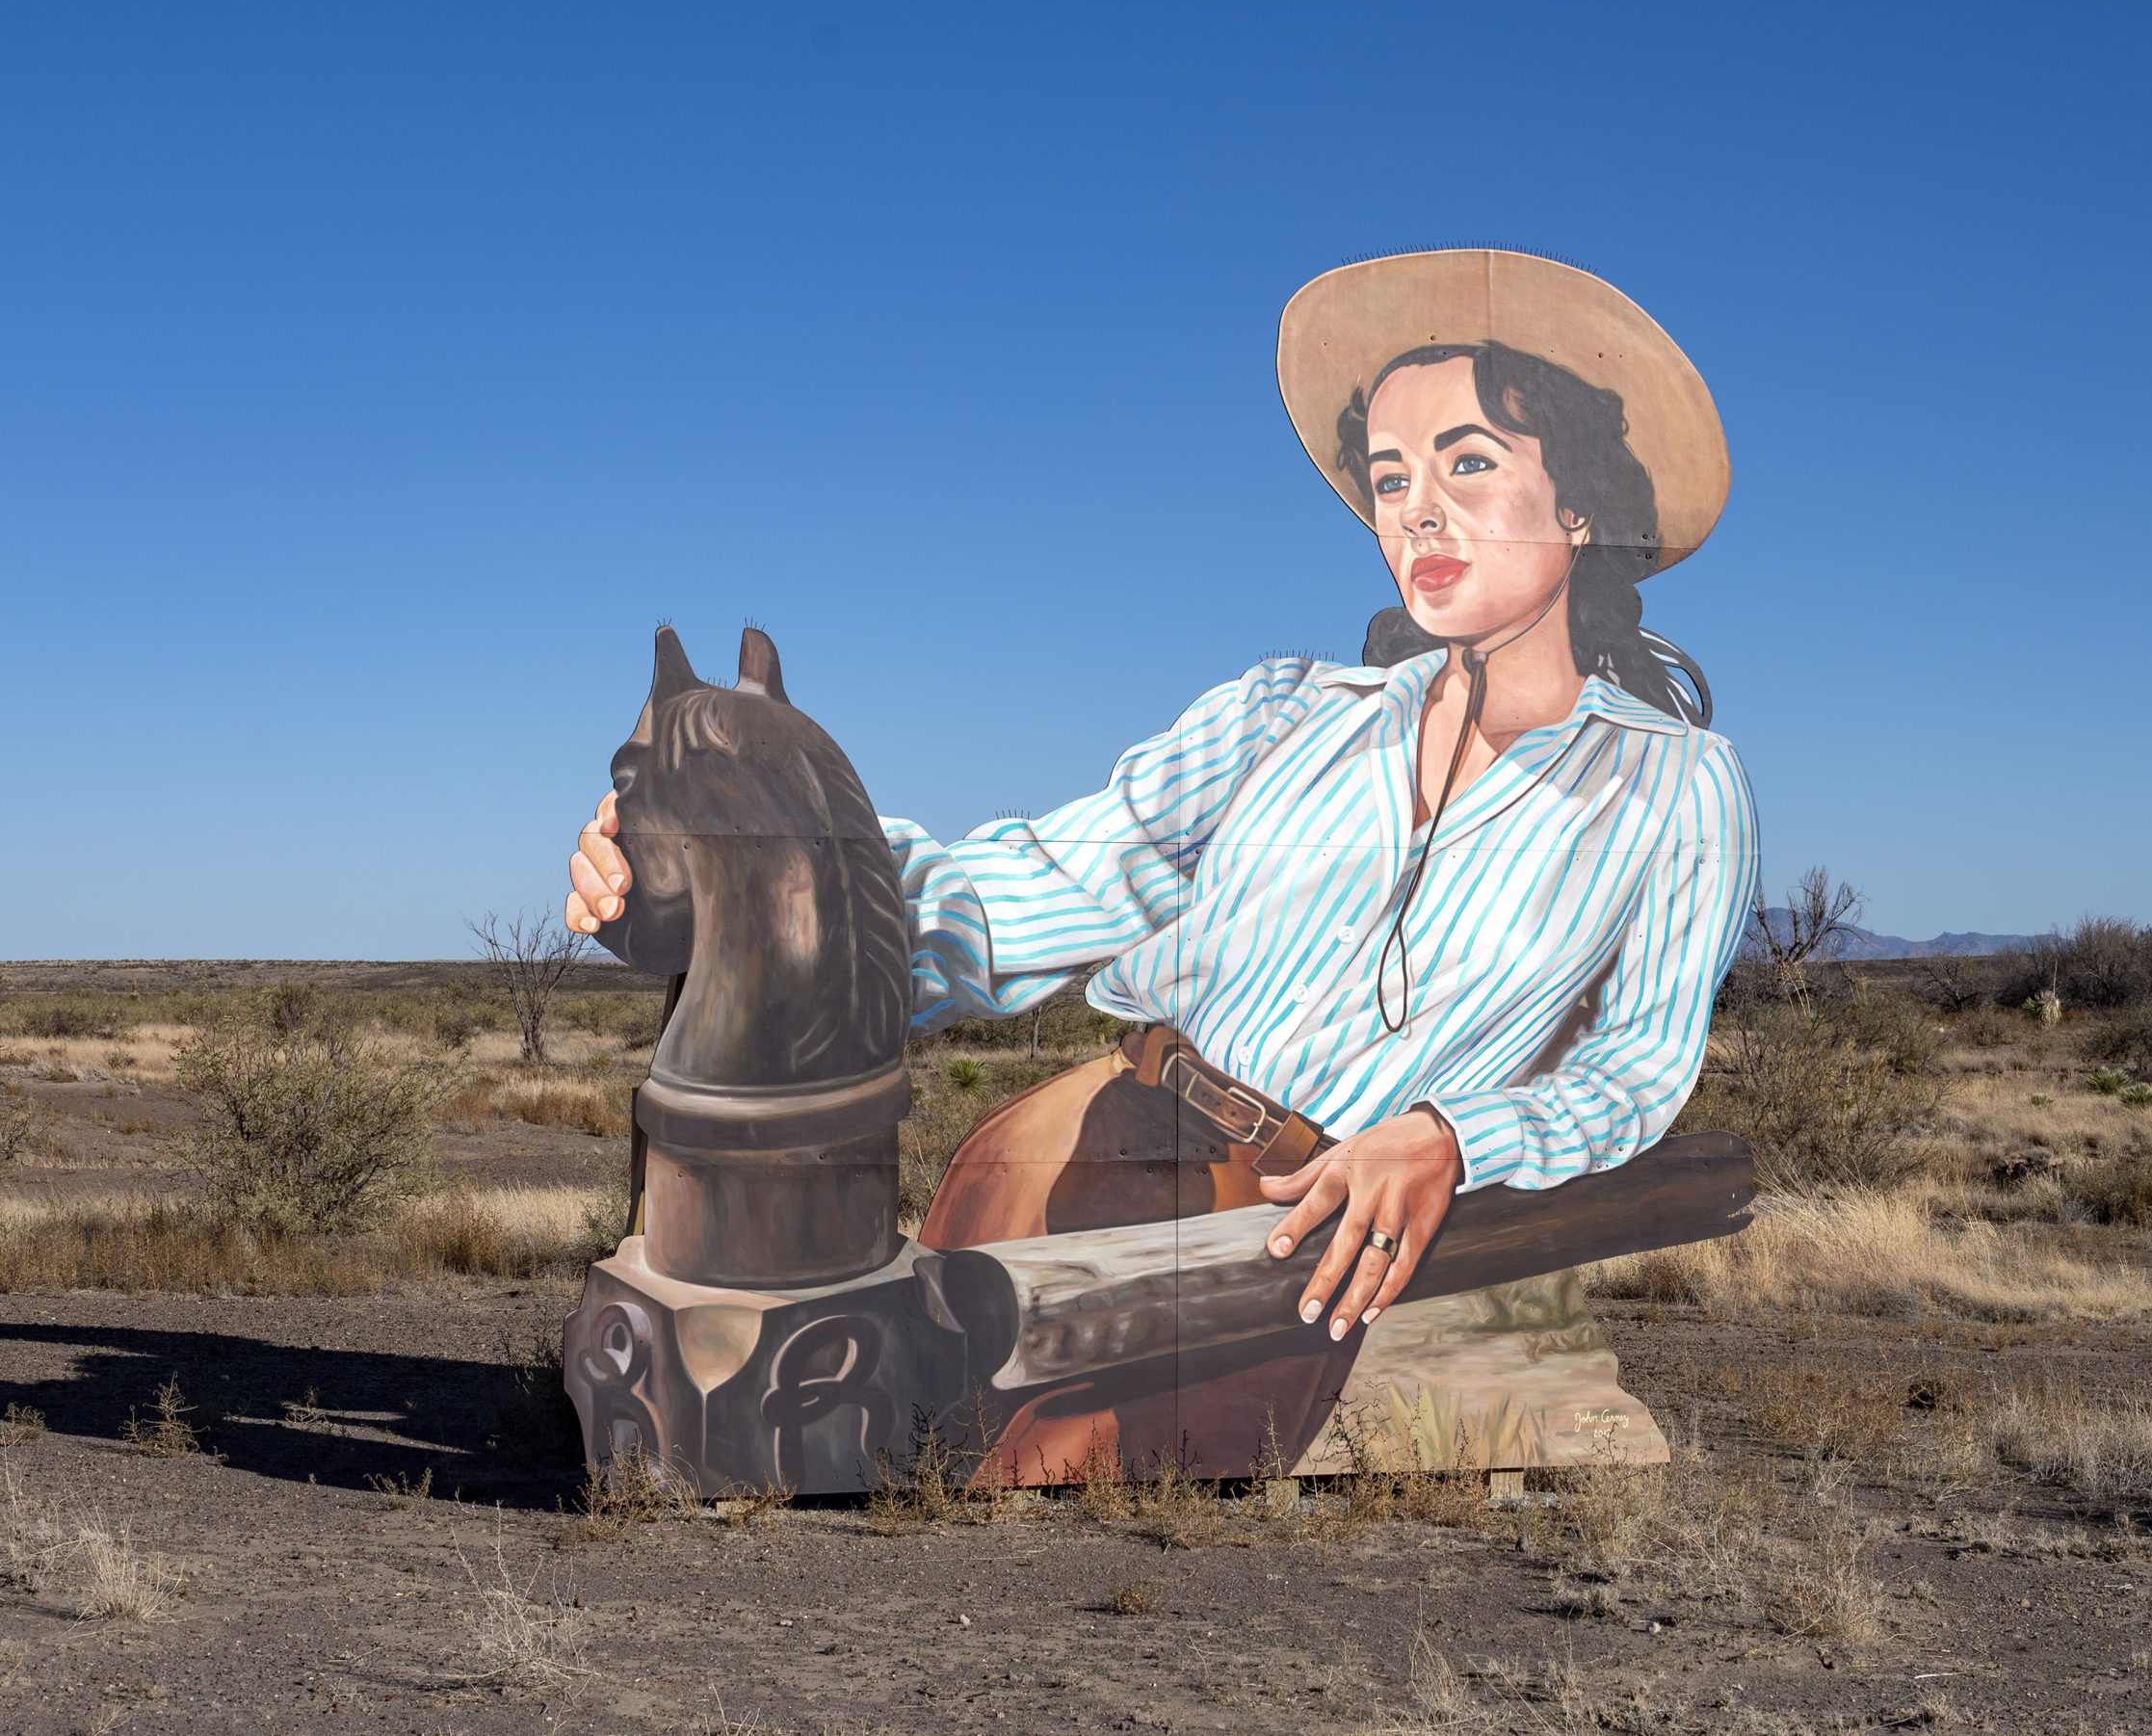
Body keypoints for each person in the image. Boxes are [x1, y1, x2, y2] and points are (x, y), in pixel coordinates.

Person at [566, 250, 1759, 1477]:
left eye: (1467, 463)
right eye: (1391, 477)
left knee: (1047, 1488)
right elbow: (1045, 882)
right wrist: (745, 876)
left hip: (1294, 1216)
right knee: (879, 1446)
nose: (1416, 512)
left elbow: (1634, 1068)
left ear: (1581, 504)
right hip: (1084, 1130)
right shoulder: (1284, 714)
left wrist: (1451, 1136)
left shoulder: (1673, 787)